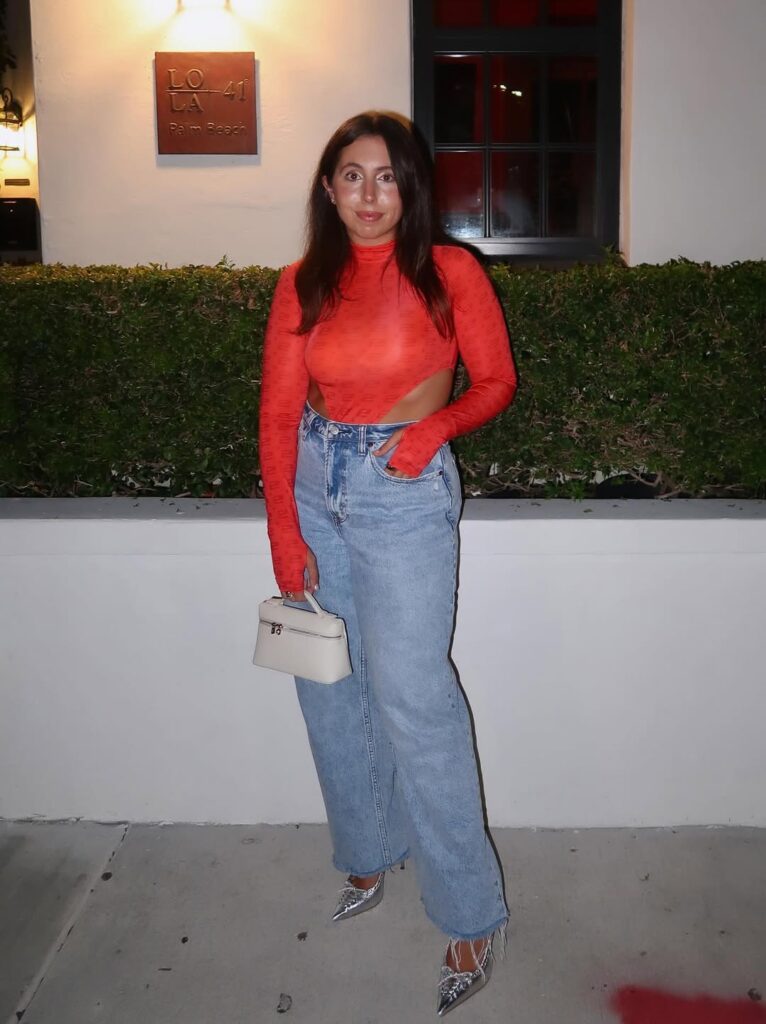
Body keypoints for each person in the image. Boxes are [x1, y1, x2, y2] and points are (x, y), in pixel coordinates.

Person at [258, 111, 517, 1016]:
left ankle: (472, 909)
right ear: (328, 189)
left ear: (411, 189)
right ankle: (368, 854)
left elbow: (494, 382)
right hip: (318, 486)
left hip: (401, 492)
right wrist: (284, 533)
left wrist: (430, 432)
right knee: (329, 684)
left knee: (414, 696)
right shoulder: (302, 283)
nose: (370, 195)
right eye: (352, 176)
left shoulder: (449, 272)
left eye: (387, 178)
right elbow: (280, 417)